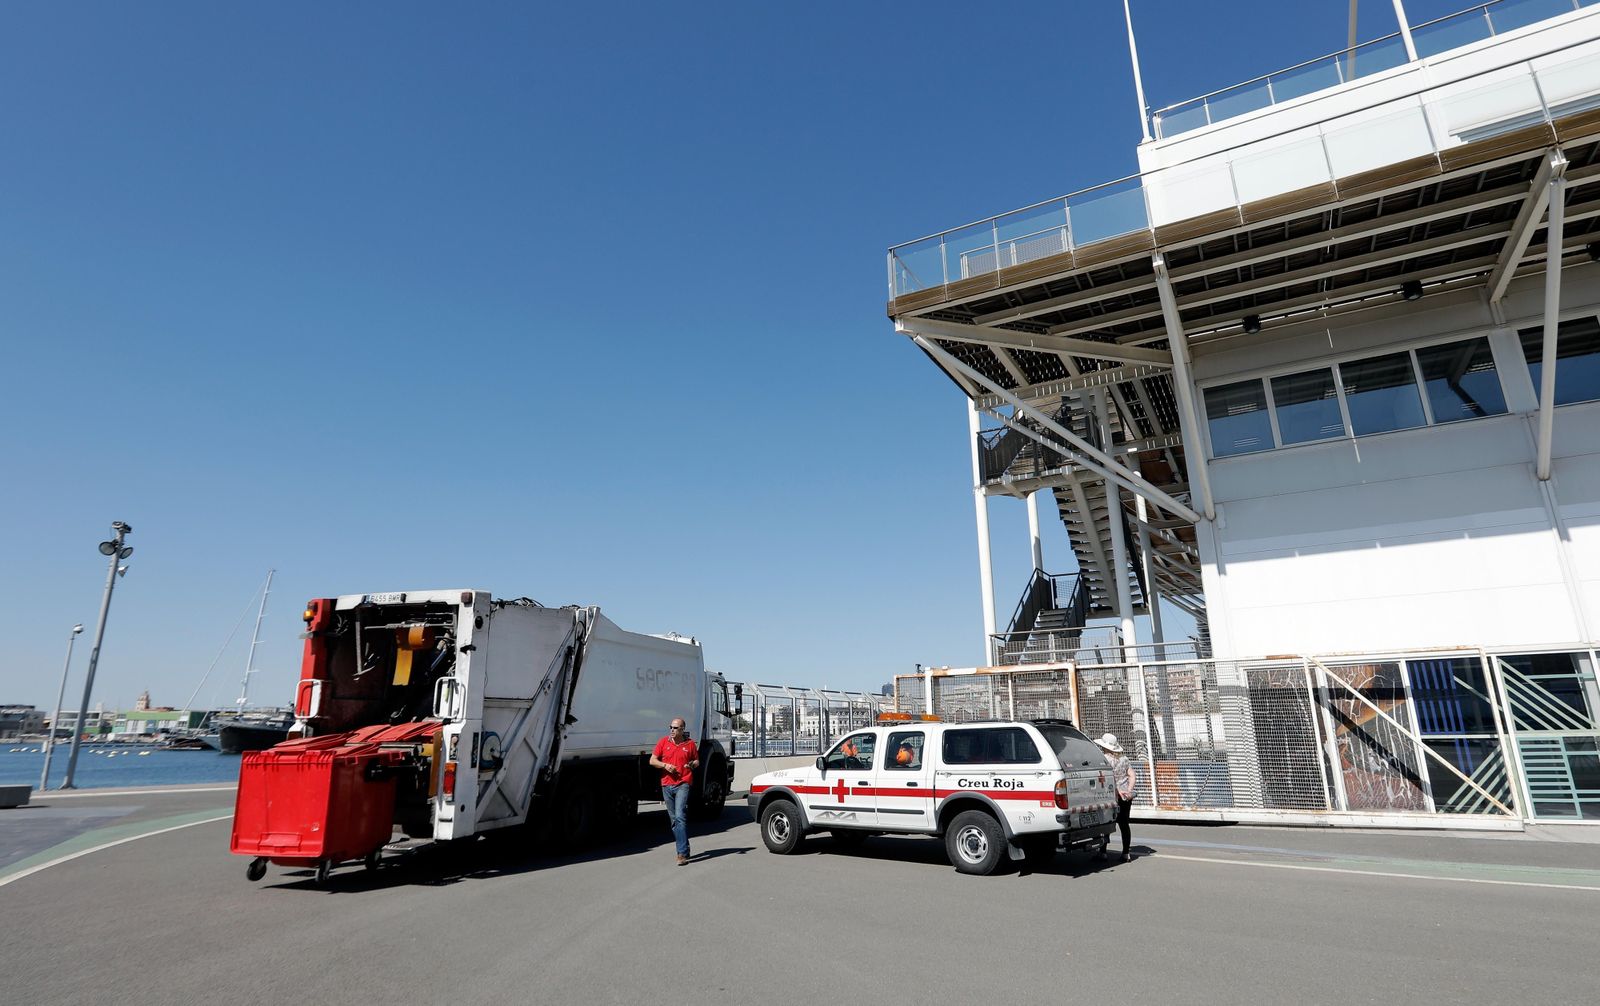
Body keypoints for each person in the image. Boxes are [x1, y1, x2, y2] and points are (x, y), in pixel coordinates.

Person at [650, 717, 700, 866]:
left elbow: (697, 761)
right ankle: (685, 846)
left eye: (675, 728)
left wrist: (692, 764)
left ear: (682, 729)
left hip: (683, 783)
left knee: (680, 816)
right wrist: (665, 766)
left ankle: (681, 854)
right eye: (671, 727)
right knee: (674, 820)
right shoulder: (663, 742)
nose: (672, 730)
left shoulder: (690, 744)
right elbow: (652, 760)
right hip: (666, 785)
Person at [1095, 733, 1136, 862]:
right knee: (1124, 824)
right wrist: (1128, 790)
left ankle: (1103, 852)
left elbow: (1109, 778)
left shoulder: (1104, 759)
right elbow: (1132, 775)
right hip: (1126, 796)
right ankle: (1126, 853)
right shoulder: (1124, 759)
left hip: (1110, 795)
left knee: (1106, 822)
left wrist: (1117, 790)